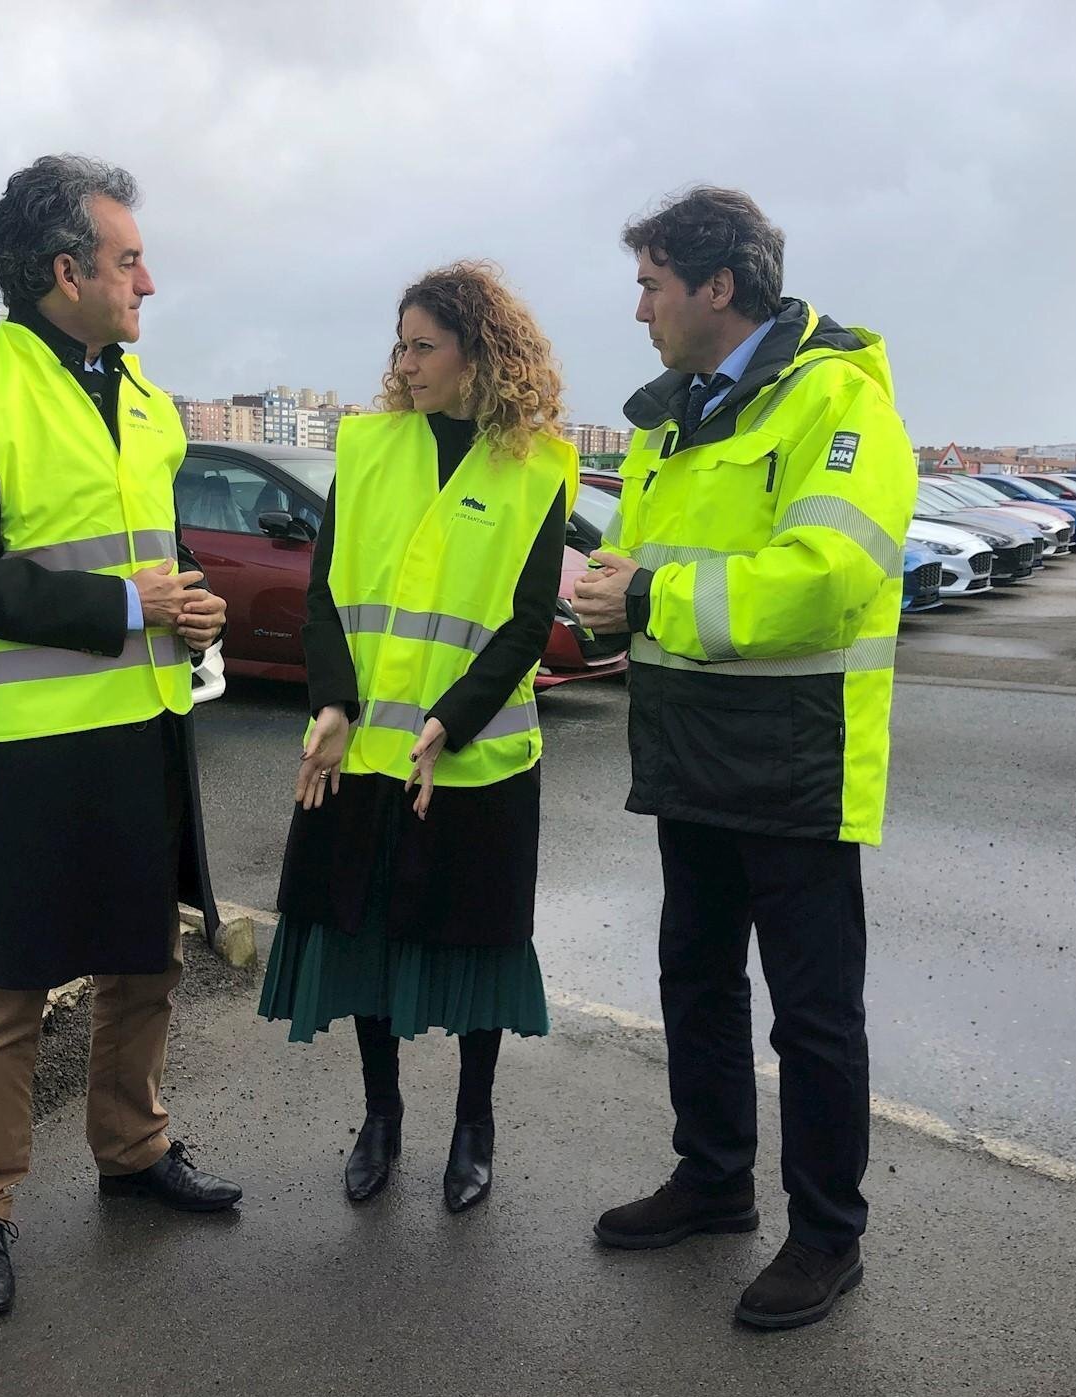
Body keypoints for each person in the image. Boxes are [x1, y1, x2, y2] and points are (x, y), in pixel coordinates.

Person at [0, 154, 242, 1320]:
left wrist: (189, 601)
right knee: (10, 988)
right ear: (65, 270)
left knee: (146, 959)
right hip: (24, 748)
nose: (150, 281)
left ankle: (133, 1152)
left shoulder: (142, 397)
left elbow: (153, 547)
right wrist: (133, 604)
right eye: (130, 260)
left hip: (143, 731)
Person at [571, 186, 917, 1331]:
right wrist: (602, 600)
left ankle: (826, 1235)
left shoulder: (837, 398)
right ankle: (715, 1179)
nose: (640, 310)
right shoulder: (671, 419)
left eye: (652, 286)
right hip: (688, 747)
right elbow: (634, 565)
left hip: (795, 753)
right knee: (698, 976)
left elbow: (827, 576)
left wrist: (650, 595)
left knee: (813, 1014)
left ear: (719, 287)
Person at [258, 261, 577, 1214]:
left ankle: (475, 1125)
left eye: (423, 346)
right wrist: (333, 702)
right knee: (369, 935)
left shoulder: (539, 465)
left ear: (480, 353)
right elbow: (325, 594)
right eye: (399, 345)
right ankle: (382, 1116)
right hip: (362, 749)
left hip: (476, 756)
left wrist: (452, 721)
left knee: (477, 943)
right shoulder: (367, 447)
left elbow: (529, 620)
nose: (404, 364)